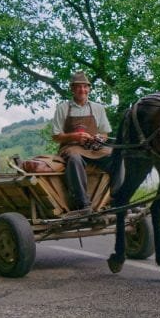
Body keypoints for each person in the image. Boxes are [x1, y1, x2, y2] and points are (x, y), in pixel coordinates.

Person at [51, 71, 114, 216]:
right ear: (72, 89)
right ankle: (83, 205)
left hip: (93, 148)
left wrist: (99, 138)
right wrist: (74, 136)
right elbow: (55, 136)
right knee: (74, 159)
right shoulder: (63, 108)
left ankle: (117, 199)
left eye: (85, 86)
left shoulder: (98, 108)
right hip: (70, 147)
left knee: (116, 156)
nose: (82, 90)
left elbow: (105, 133)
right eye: (79, 87)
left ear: (89, 89)